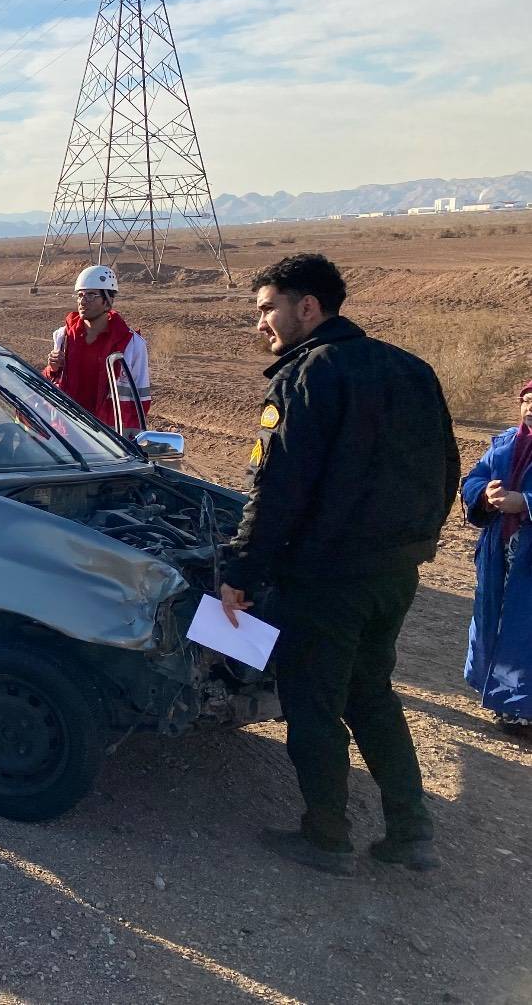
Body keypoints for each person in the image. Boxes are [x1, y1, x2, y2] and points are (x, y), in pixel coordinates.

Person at [219, 253, 459, 875]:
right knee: (371, 692)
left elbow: (277, 489)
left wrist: (240, 572)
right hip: (393, 576)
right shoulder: (411, 369)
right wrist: (415, 543)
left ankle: (326, 836)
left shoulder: (308, 375)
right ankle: (411, 832)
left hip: (326, 580)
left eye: (268, 309)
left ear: (309, 307)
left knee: (314, 703)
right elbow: (448, 470)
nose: (262, 324)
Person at [462, 379, 532, 734]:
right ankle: (507, 705)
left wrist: (527, 503)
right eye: (527, 400)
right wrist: (484, 494)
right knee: (496, 622)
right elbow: (473, 478)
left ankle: (524, 711)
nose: (531, 407)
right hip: (499, 551)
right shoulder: (505, 442)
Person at [43, 265, 151, 432]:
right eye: (80, 295)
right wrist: (53, 369)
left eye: (92, 295)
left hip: (108, 439)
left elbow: (141, 403)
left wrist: (124, 440)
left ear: (108, 300)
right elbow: (49, 383)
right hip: (67, 432)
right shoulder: (63, 337)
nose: (83, 301)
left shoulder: (132, 345)